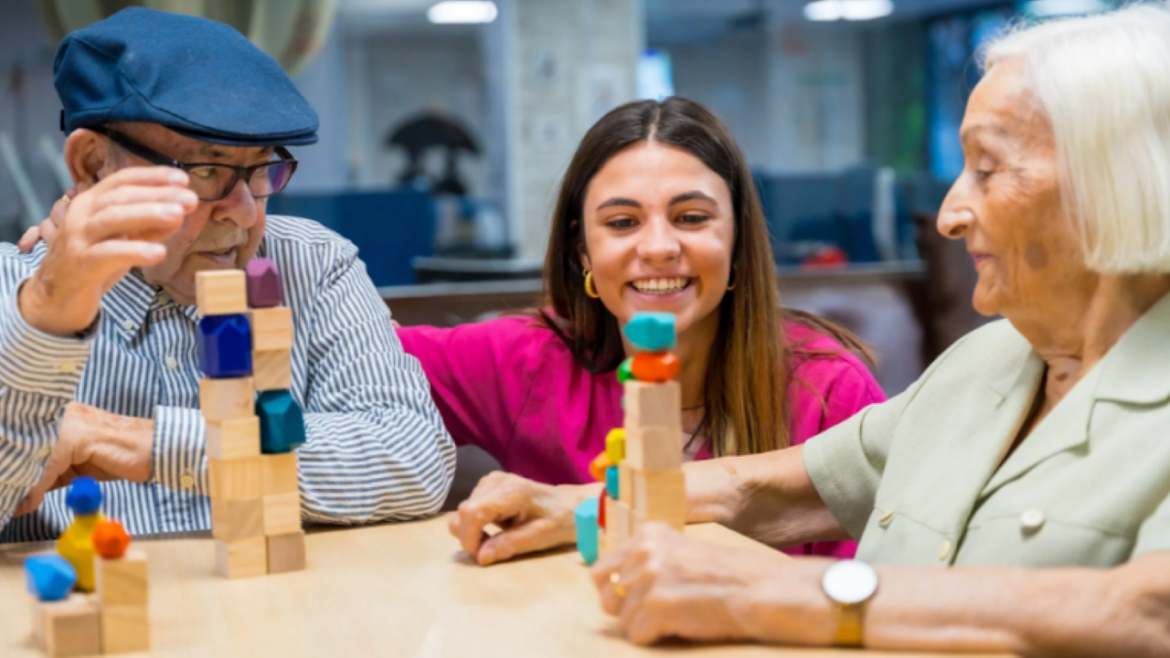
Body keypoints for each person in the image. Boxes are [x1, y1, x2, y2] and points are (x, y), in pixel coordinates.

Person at [586, 5, 1170, 654]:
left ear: (1117, 181)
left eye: (988, 168)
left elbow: (1147, 612)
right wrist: (574, 508)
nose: (949, 215)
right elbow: (768, 490)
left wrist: (775, 594)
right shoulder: (989, 358)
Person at [1, 8, 455, 541]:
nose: (243, 213)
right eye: (206, 170)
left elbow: (412, 458)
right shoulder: (14, 291)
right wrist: (51, 314)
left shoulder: (312, 266)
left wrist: (140, 442)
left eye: (261, 169)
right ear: (94, 164)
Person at [410, 97, 886, 566]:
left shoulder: (831, 392)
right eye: (622, 222)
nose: (659, 247)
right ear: (582, 252)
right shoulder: (525, 359)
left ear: (738, 239)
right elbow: (359, 362)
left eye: (691, 218)